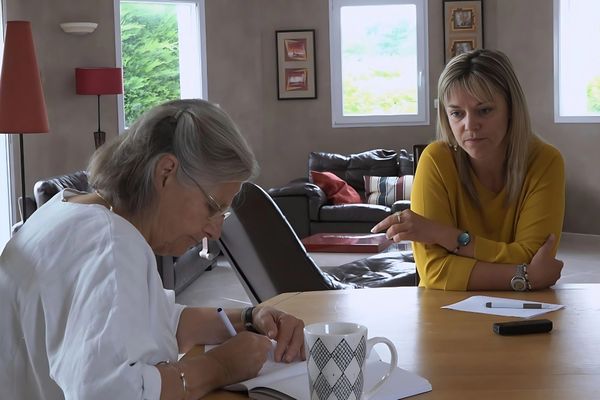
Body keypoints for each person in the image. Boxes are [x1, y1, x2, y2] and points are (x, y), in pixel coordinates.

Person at [0, 99, 305, 399]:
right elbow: (109, 392)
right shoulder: (110, 243)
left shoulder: (65, 209)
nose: (215, 230)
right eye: (212, 206)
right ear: (165, 172)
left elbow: (157, 320)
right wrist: (219, 367)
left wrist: (252, 317)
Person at [372, 49, 565, 291]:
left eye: (484, 110)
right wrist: (526, 277)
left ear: (511, 110)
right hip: (442, 313)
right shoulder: (435, 161)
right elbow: (435, 272)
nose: (470, 125)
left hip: (525, 310)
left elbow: (534, 256)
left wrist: (445, 235)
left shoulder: (545, 161)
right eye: (456, 113)